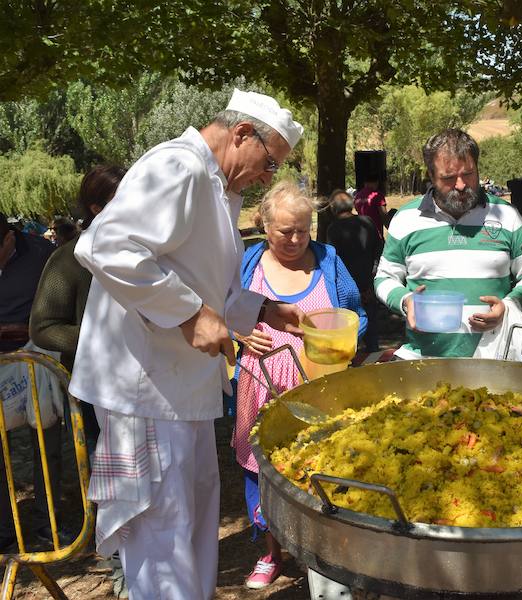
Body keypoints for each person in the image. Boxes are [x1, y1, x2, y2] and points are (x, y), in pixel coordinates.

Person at [68, 89, 306, 600]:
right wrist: (189, 315)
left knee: (195, 522)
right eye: (269, 162)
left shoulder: (220, 189)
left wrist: (262, 309)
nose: (269, 176)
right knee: (162, 532)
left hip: (182, 388)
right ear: (241, 134)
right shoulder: (178, 166)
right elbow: (106, 245)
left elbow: (206, 284)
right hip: (145, 388)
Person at [232, 181, 366, 589]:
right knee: (263, 468)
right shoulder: (246, 263)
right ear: (263, 224)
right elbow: (222, 311)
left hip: (318, 385)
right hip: (261, 381)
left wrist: (344, 339)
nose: (294, 239)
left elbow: (356, 313)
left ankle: (325, 554)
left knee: (322, 465)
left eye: (303, 230)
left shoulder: (329, 261)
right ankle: (270, 551)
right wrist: (240, 335)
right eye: (284, 231)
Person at [375, 128, 522, 360]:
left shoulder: (506, 215)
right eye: (448, 177)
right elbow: (384, 278)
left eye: (469, 174)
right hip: (425, 359)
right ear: (431, 176)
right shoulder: (406, 219)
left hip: (496, 360)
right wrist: (406, 301)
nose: (461, 185)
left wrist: (510, 304)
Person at [30, 165, 127, 456]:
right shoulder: (68, 260)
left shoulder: (152, 249)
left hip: (152, 382)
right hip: (97, 387)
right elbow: (43, 329)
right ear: (97, 208)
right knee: (108, 472)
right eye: (124, 198)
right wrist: (104, 339)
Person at [0, 212, 59, 553]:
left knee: (46, 447)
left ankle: (47, 523)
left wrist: (20, 330)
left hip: (34, 359)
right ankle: (5, 530)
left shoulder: (40, 254)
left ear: (8, 238)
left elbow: (56, 310)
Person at [326, 188, 380, 352]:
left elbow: (331, 262)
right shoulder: (368, 222)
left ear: (333, 208)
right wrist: (372, 282)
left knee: (349, 336)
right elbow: (379, 251)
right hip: (369, 285)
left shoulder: (333, 229)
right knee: (372, 335)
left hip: (346, 291)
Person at [353, 171, 389, 243]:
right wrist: (390, 228)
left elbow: (357, 210)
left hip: (362, 234)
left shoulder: (357, 196)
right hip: (375, 234)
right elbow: (383, 214)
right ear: (376, 182)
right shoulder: (377, 195)